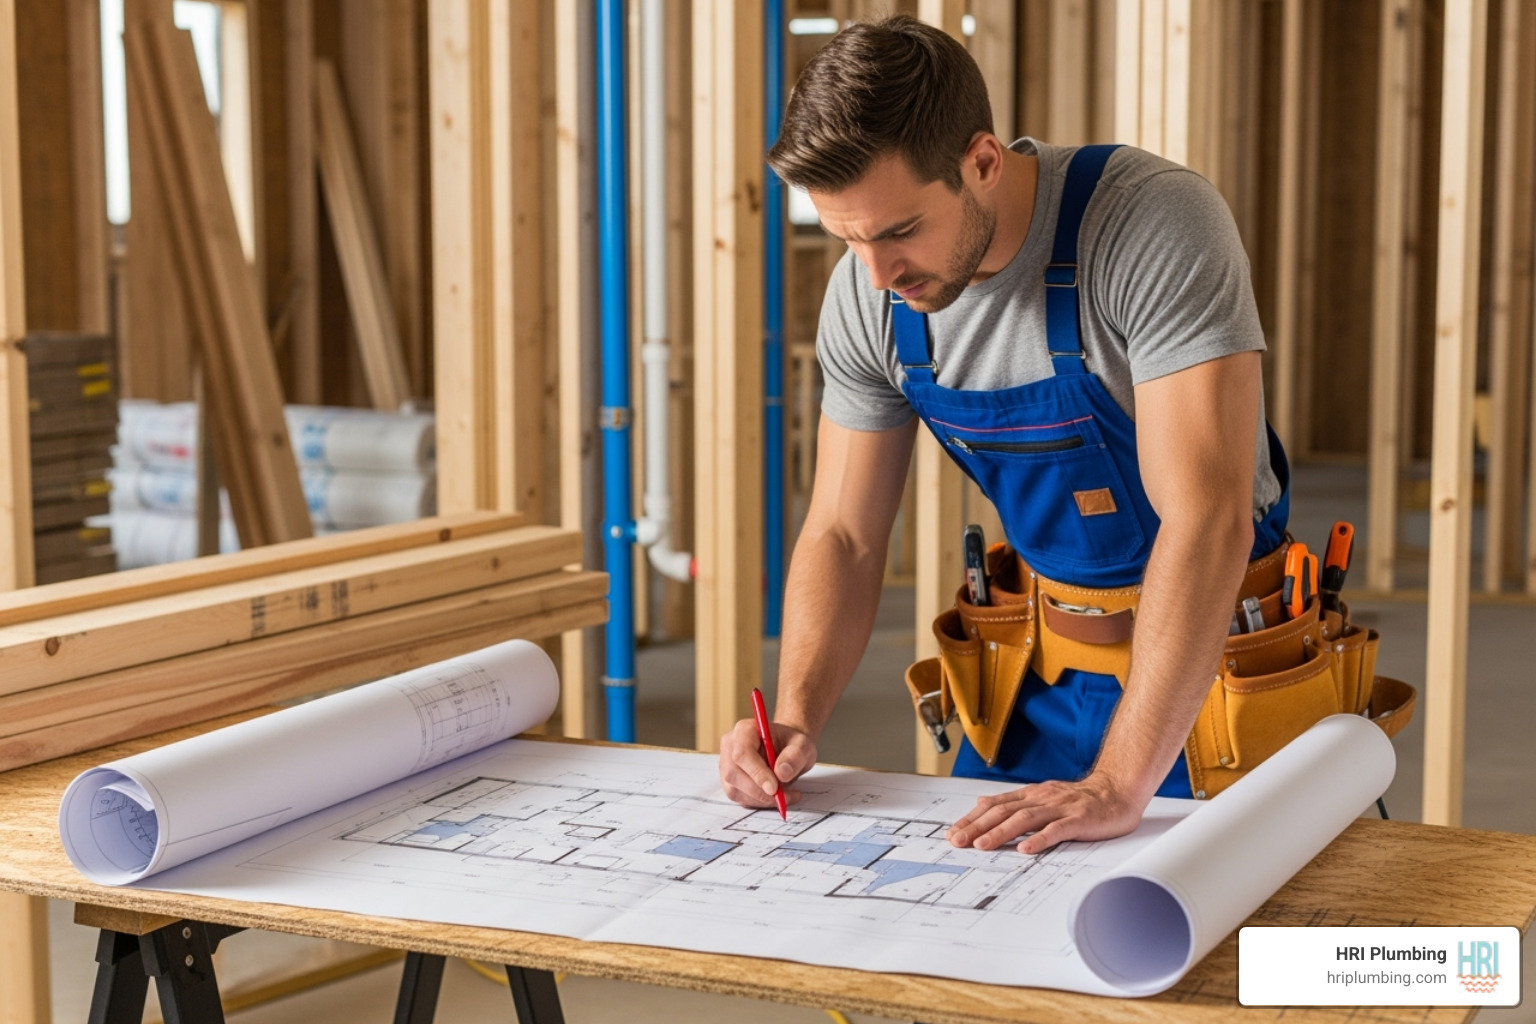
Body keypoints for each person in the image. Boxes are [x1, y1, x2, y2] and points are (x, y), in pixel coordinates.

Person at [717, 15, 1288, 855]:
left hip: (1221, 668)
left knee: (1226, 922)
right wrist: (796, 719)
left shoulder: (1150, 224)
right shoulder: (870, 294)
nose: (878, 276)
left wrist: (1117, 782)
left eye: (899, 231)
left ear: (983, 161)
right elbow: (842, 534)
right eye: (848, 238)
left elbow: (1206, 520)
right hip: (1040, 674)